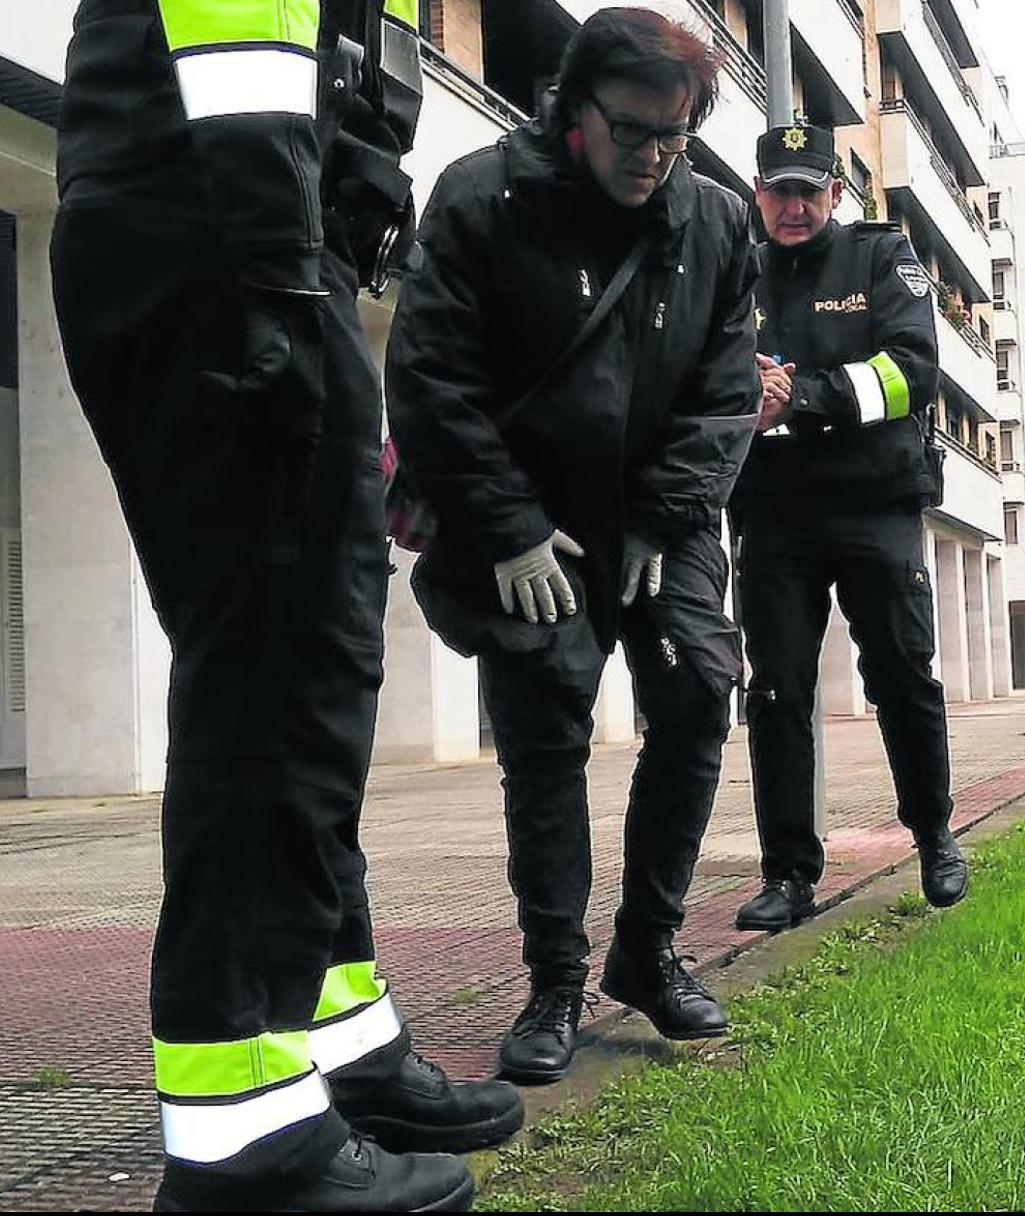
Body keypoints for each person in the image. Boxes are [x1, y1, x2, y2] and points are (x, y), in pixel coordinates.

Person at [52, 0, 520, 1209]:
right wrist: (275, 274)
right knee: (273, 680)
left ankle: (337, 1047)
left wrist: (339, 224)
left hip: (251, 236)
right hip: (221, 236)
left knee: (315, 671)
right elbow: (243, 47)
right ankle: (243, 1136)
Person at [385, 8, 758, 1087]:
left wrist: (661, 515)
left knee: (697, 690)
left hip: (660, 512)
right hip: (524, 510)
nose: (653, 157)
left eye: (675, 137)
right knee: (545, 715)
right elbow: (430, 377)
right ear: (574, 108)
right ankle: (554, 977)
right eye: (633, 130)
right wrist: (502, 526)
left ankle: (649, 950)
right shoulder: (480, 197)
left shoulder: (717, 223)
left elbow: (725, 393)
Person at [728, 122, 968, 933]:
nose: (792, 207)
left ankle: (934, 837)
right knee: (776, 689)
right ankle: (789, 873)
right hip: (772, 509)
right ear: (757, 194)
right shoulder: (738, 267)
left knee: (902, 673)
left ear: (836, 193)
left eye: (808, 191)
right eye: (777, 191)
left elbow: (913, 371)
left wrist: (804, 396)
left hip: (874, 499)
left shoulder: (878, 257)